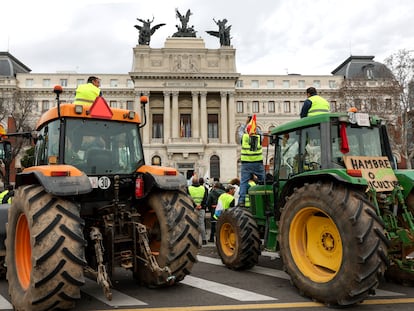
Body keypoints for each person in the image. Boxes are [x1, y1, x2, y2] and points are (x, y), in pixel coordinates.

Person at [238, 114, 265, 207]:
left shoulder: (244, 137)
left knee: (244, 182)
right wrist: (254, 124)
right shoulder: (259, 138)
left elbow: (240, 131)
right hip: (258, 164)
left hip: (246, 164)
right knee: (263, 181)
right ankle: (266, 198)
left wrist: (246, 123)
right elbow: (261, 133)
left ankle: (241, 201)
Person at [187, 176, 208, 245]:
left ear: (192, 182)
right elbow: (205, 198)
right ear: (198, 182)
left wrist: (195, 206)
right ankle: (204, 240)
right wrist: (201, 205)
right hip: (201, 208)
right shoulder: (204, 188)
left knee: (192, 224)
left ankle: (194, 240)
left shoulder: (189, 188)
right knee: (201, 224)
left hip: (192, 209)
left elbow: (188, 198)